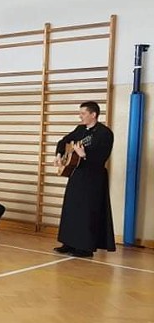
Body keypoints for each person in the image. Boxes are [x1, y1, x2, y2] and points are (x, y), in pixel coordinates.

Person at [54, 101, 115, 257]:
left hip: (94, 177)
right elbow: (63, 141)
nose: (80, 116)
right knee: (71, 208)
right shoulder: (80, 129)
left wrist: (85, 155)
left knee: (87, 212)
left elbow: (103, 157)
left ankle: (85, 247)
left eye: (83, 113)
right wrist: (59, 155)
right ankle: (68, 243)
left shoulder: (105, 133)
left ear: (93, 114)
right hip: (77, 174)